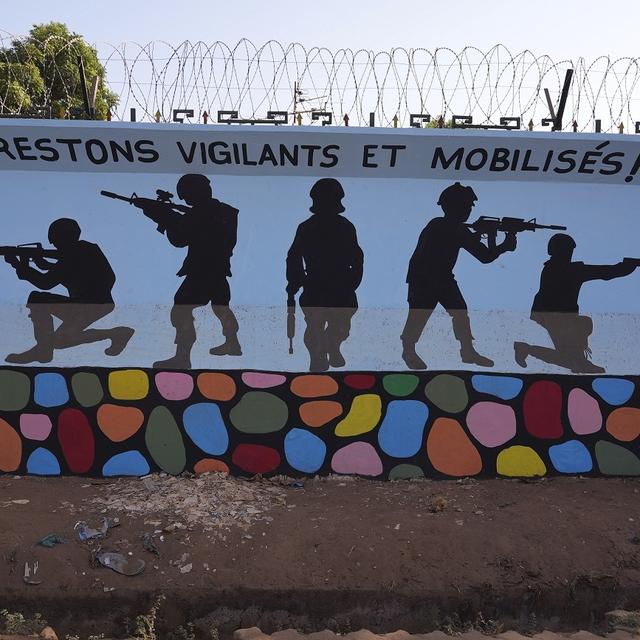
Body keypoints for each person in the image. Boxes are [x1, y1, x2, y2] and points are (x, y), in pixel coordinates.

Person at [401, 182, 516, 370]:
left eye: (469, 206)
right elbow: (485, 256)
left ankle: (467, 351)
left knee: (459, 312)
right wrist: (503, 245)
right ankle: (408, 351)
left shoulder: (445, 225)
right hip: (424, 279)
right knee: (419, 315)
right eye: (466, 206)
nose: (469, 210)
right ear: (454, 206)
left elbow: (483, 254)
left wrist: (490, 237)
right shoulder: (450, 227)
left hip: (440, 278)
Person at [140, 174, 241, 369]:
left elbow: (179, 238)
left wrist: (163, 216)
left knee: (181, 309)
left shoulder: (202, 213)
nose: (185, 200)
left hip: (202, 269)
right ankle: (232, 342)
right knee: (221, 307)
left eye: (186, 195)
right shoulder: (224, 211)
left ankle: (182, 357)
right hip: (219, 269)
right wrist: (167, 215)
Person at [4, 218, 134, 364]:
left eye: (55, 241)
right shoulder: (85, 250)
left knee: (37, 298)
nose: (55, 246)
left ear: (62, 237)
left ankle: (43, 350)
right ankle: (116, 334)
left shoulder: (75, 252)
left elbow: (45, 282)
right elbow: (67, 271)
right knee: (59, 341)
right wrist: (39, 264)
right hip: (98, 304)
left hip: (87, 305)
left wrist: (19, 265)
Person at [514, 233, 638, 374]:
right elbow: (606, 272)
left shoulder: (553, 268)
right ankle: (575, 360)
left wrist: (626, 267)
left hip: (553, 316)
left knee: (572, 350)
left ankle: (577, 360)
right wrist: (626, 267)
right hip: (556, 317)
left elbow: (606, 272)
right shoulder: (569, 270)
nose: (570, 254)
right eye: (568, 250)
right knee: (580, 329)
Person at [286, 178, 364, 372]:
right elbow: (293, 256)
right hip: (315, 285)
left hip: (341, 287)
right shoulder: (306, 227)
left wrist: (352, 282)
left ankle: (333, 346)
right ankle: (317, 355)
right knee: (314, 328)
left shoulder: (346, 227)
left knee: (341, 328)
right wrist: (294, 281)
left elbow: (357, 258)